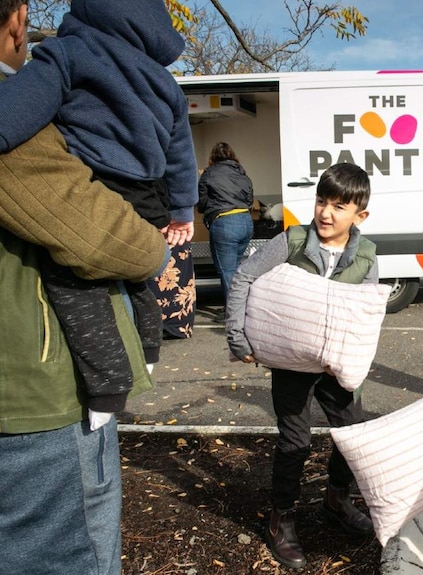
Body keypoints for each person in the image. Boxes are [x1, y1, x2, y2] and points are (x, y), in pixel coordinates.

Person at [0, 1, 165, 572]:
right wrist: (158, 245)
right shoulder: (17, 115)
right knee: (67, 553)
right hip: (30, 404)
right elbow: (103, 240)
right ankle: (123, 376)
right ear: (18, 19)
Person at [0, 0, 198, 403]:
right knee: (137, 277)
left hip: (95, 177)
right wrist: (181, 210)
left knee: (74, 277)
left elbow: (22, 106)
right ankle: (147, 349)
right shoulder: (164, 81)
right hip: (148, 191)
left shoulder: (69, 53)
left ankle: (107, 387)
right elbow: (181, 153)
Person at [224, 162, 377, 569]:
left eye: (339, 206)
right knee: (295, 443)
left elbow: (364, 314)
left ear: (359, 215)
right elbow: (244, 278)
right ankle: (282, 517)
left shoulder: (366, 256)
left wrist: (351, 361)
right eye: (322, 201)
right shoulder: (291, 241)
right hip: (292, 365)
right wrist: (238, 337)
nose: (326, 213)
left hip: (334, 369)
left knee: (352, 437)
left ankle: (337, 499)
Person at [197, 141, 255, 299]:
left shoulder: (208, 174)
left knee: (227, 271)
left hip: (224, 223)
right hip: (246, 222)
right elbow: (250, 200)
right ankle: (243, 306)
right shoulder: (242, 174)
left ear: (212, 157)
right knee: (236, 270)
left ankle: (234, 313)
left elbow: (201, 203)